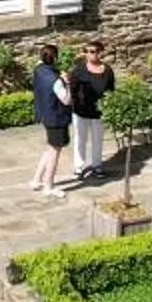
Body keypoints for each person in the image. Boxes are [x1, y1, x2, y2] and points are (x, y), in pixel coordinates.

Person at [28, 42, 72, 192]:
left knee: (49, 148)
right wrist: (67, 83)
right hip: (57, 118)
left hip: (45, 115)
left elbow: (40, 62)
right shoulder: (55, 81)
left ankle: (36, 180)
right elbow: (66, 100)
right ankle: (48, 186)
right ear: (54, 59)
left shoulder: (39, 70)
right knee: (55, 152)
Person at [68, 40, 114, 182]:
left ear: (100, 53)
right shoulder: (78, 70)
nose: (89, 54)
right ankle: (79, 166)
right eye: (86, 51)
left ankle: (97, 165)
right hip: (81, 111)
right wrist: (75, 105)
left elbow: (111, 89)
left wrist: (109, 105)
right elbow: (72, 90)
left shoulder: (107, 70)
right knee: (80, 139)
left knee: (97, 140)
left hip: (99, 111)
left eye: (92, 51)